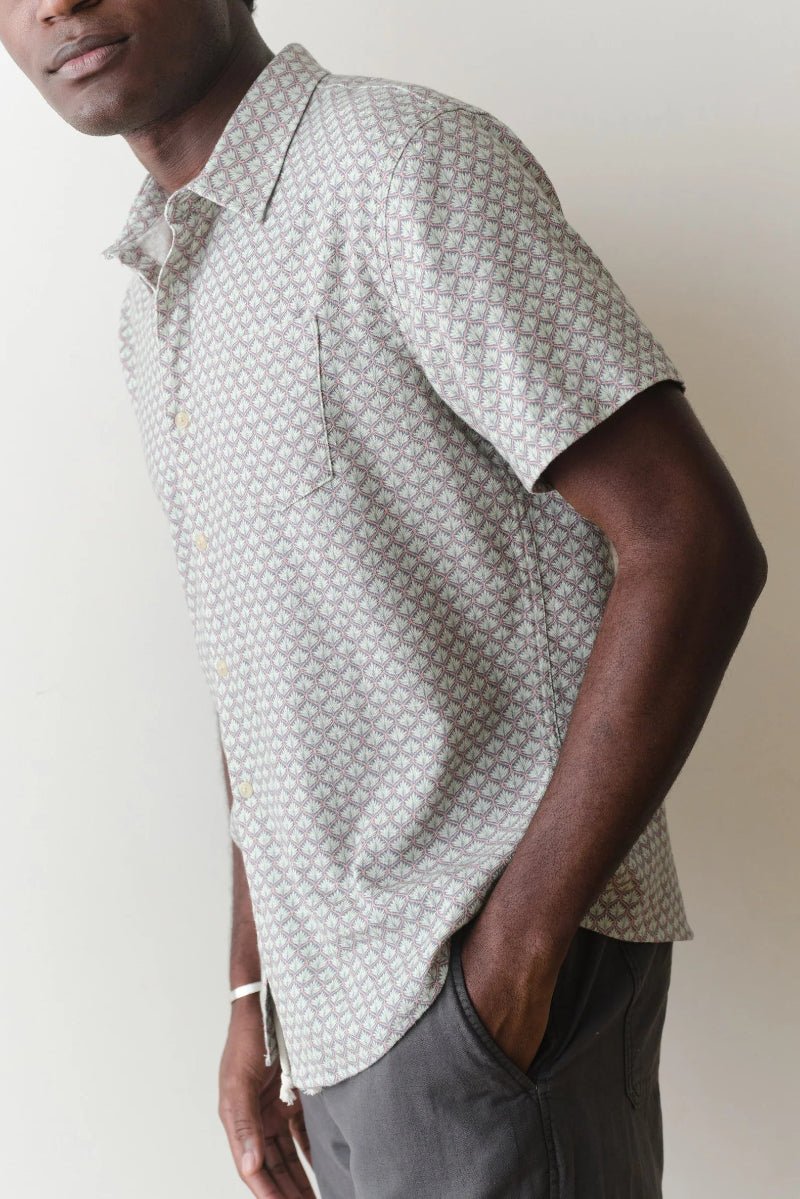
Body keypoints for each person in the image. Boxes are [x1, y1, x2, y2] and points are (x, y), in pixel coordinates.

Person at [2, 3, 768, 1196]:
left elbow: (689, 541)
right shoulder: (158, 294)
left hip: (491, 1010)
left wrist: (511, 964)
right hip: (337, 1025)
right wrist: (254, 995)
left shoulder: (397, 165)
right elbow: (258, 674)